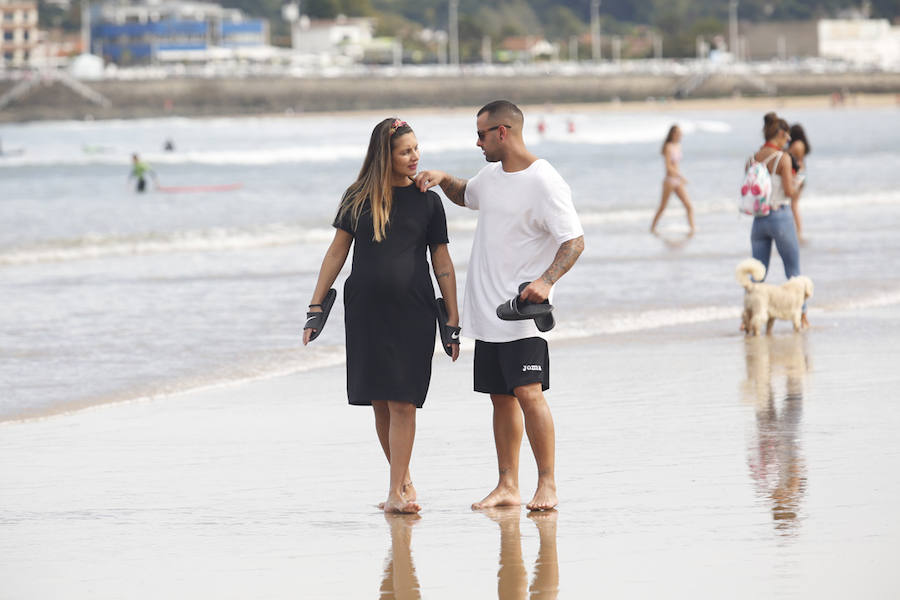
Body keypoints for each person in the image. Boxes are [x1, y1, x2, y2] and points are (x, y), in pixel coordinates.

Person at [415, 100, 584, 512]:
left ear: (503, 132)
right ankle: (507, 485)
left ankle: (547, 485)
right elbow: (465, 194)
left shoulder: (544, 180)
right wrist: (441, 179)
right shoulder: (490, 176)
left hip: (522, 312)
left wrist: (546, 282)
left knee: (529, 394)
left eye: (482, 134)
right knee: (500, 398)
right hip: (488, 314)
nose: (478, 142)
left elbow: (574, 240)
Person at [303, 118, 460, 514]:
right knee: (381, 404)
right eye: (405, 151)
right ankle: (402, 482)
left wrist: (452, 317)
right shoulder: (358, 197)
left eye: (416, 149)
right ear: (384, 156)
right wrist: (315, 307)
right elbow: (336, 253)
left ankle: (395, 493)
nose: (415, 157)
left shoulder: (428, 201)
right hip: (366, 312)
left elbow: (441, 259)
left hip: (414, 310)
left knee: (404, 401)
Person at [745, 112, 808, 329]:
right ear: (780, 134)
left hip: (759, 219)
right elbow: (789, 192)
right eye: (787, 138)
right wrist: (799, 181)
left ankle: (747, 319)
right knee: (793, 271)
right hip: (780, 216)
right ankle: (802, 316)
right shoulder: (783, 158)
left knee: (757, 275)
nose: (788, 142)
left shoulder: (753, 158)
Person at [650, 124, 695, 236]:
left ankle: (692, 229)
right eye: (679, 133)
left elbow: (676, 165)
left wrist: (679, 177)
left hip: (677, 181)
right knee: (663, 207)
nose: (681, 135)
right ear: (673, 134)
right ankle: (652, 227)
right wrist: (681, 176)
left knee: (688, 206)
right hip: (670, 180)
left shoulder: (678, 146)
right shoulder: (668, 147)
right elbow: (668, 167)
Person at [787, 123, 811, 193]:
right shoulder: (802, 144)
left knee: (794, 199)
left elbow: (787, 154)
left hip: (797, 172)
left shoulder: (796, 145)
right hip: (801, 171)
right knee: (795, 198)